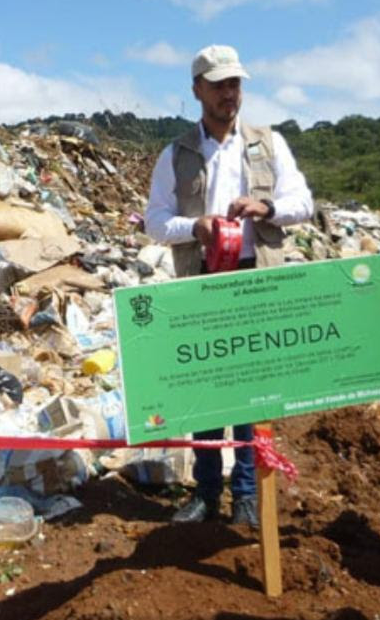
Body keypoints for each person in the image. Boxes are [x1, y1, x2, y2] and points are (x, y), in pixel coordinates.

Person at [144, 44, 314, 528]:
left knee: (252, 393)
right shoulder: (175, 153)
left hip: (253, 280)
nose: (228, 94)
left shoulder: (268, 143)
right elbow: (155, 222)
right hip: (201, 281)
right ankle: (206, 490)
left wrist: (268, 209)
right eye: (218, 85)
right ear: (197, 89)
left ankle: (244, 494)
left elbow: (303, 201)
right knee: (205, 390)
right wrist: (194, 228)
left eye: (235, 84)